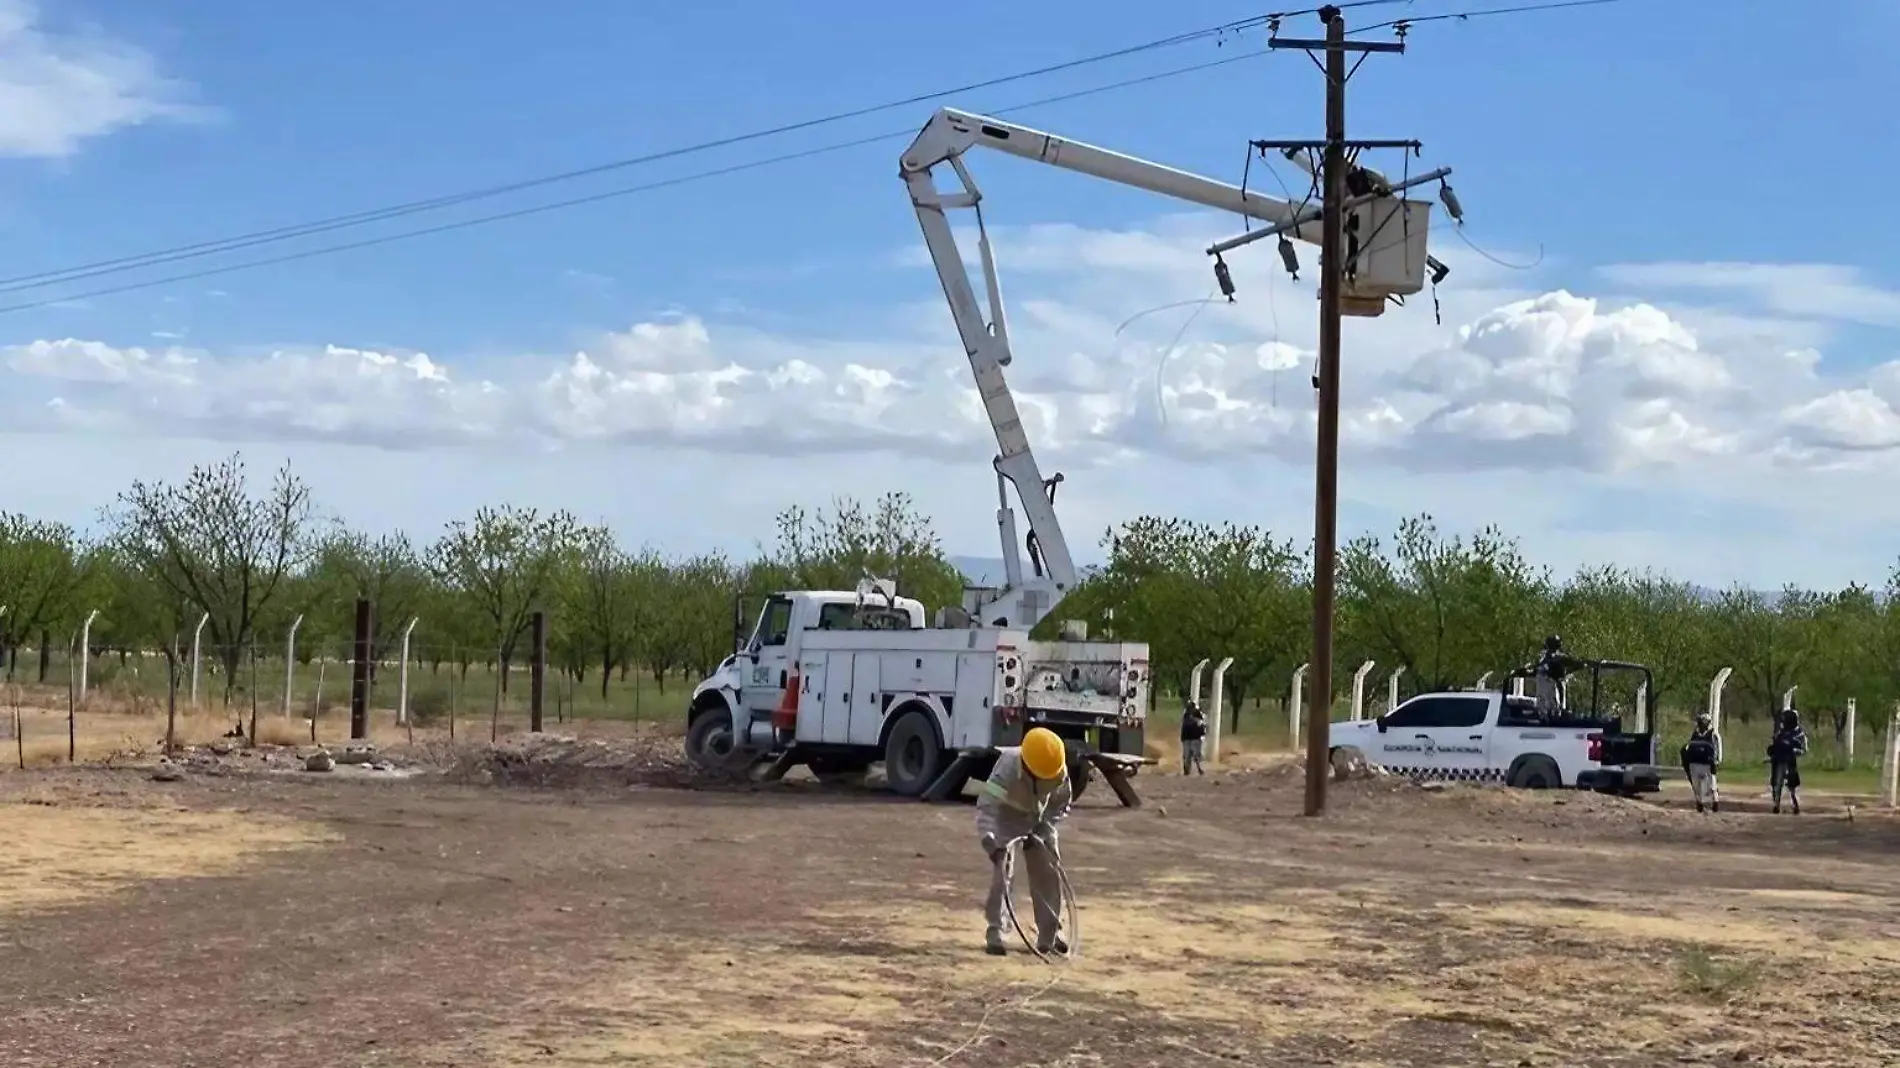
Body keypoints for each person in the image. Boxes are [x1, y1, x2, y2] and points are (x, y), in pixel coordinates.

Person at [977, 726, 1073, 957]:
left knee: (1049, 869)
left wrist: (1043, 827)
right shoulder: (1007, 766)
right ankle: (996, 931)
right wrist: (991, 842)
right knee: (1003, 870)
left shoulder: (1058, 771)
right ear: (1028, 769)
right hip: (1006, 818)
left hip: (1039, 819)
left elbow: (1061, 805)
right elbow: (988, 805)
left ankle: (1050, 933)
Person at [1680, 711, 1723, 813]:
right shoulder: (1695, 734)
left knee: (1712, 786)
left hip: (1708, 764)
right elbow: (1689, 746)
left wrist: (1718, 760)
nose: (1701, 724)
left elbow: (1718, 748)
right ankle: (1699, 803)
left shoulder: (1713, 734)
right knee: (1696, 786)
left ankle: (1715, 802)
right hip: (1694, 764)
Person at [1768, 708, 1809, 815]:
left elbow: (1804, 749)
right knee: (1777, 784)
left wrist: (1793, 751)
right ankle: (1776, 805)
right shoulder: (1781, 733)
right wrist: (1772, 751)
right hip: (1779, 762)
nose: (1784, 721)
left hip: (1790, 762)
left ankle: (1796, 805)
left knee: (1792, 786)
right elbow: (1775, 747)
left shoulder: (1799, 734)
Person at [1179, 702, 1208, 776]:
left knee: (1194, 755)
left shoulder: (1197, 714)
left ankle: (1197, 769)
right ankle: (1189, 770)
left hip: (1194, 737)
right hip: (1191, 738)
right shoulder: (1186, 715)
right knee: (1188, 755)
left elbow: (1203, 723)